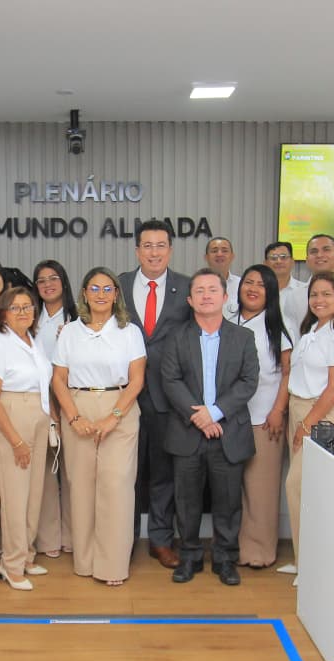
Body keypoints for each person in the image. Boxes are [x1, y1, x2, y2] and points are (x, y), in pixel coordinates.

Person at [162, 269, 259, 586]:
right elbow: (170, 380)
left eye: (212, 290)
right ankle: (189, 556)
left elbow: (248, 382)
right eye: (199, 290)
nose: (206, 295)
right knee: (186, 501)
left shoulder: (243, 337)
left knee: (228, 501)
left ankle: (225, 559)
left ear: (225, 297)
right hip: (187, 432)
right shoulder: (177, 337)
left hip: (228, 431)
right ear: (190, 300)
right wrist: (199, 417)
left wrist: (215, 413)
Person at [52, 267, 146, 586]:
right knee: (80, 486)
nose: (101, 294)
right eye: (95, 288)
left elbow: (137, 381)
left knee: (115, 486)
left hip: (120, 408)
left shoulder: (129, 332)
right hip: (77, 407)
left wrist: (113, 417)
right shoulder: (69, 332)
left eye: (108, 289)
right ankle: (85, 560)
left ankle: (112, 566)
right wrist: (74, 417)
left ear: (116, 294)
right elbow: (58, 380)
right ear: (84, 293)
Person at [116, 219, 190, 568]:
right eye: (147, 245)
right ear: (137, 250)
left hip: (167, 396)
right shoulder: (118, 285)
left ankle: (160, 540)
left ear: (170, 250)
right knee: (125, 471)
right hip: (122, 396)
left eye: (161, 245)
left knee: (163, 473)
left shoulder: (186, 287)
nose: (154, 252)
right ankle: (123, 538)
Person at [282, 271, 334, 576]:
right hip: (299, 409)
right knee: (304, 491)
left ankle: (314, 568)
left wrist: (307, 424)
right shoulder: (311, 331)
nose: (319, 300)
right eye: (315, 294)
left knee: (299, 486)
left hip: (322, 415)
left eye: (327, 294)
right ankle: (303, 561)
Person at [0, 287, 52, 590]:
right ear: (3, 314)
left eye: (28, 307)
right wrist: (15, 441)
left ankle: (26, 555)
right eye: (16, 308)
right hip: (12, 415)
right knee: (15, 496)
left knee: (34, 492)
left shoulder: (33, 342)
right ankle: (11, 565)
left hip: (37, 414)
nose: (23, 312)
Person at [232, 264, 292, 570]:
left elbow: (286, 375)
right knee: (233, 489)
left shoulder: (278, 328)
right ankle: (234, 546)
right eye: (248, 282)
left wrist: (278, 410)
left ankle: (258, 552)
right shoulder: (228, 322)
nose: (253, 288)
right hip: (228, 419)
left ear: (271, 293)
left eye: (261, 285)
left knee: (261, 489)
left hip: (264, 418)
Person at [32, 259, 75, 560]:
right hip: (37, 399)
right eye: (42, 280)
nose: (48, 284)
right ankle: (48, 538)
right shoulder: (28, 317)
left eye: (54, 278)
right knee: (46, 471)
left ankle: (73, 535)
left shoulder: (77, 317)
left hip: (70, 396)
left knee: (72, 470)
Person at [264, 240, 306, 339]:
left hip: (296, 348)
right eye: (273, 258)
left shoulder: (304, 291)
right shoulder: (257, 292)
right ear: (265, 263)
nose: (278, 261)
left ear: (292, 262)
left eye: (283, 257)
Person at [204, 237, 241, 315]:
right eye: (214, 251)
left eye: (224, 251)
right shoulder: (196, 285)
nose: (219, 254)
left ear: (232, 256)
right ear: (206, 257)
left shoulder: (241, 285)